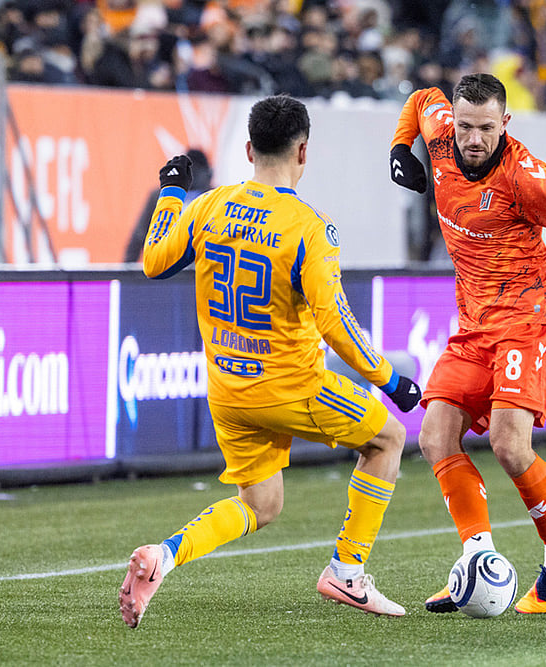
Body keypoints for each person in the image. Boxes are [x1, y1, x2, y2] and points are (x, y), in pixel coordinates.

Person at [119, 94, 423, 627]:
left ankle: (163, 556)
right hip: (293, 387)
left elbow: (154, 261)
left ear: (248, 149)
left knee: (261, 505)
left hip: (228, 393)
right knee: (388, 440)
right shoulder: (309, 225)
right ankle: (347, 571)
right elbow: (336, 324)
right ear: (303, 151)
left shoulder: (209, 206)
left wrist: (170, 193)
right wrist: (390, 379)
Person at [388, 72, 546, 615]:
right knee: (435, 438)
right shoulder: (440, 128)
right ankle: (477, 559)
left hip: (527, 323)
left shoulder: (525, 177)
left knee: (509, 445)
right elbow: (419, 99)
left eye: (487, 128)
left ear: (505, 122)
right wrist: (398, 147)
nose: (474, 138)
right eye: (466, 126)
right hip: (473, 326)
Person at [124, 148, 213, 263]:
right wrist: (128, 266)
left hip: (194, 263)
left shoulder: (213, 196)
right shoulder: (161, 195)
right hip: (171, 261)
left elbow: (139, 235)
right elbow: (140, 235)